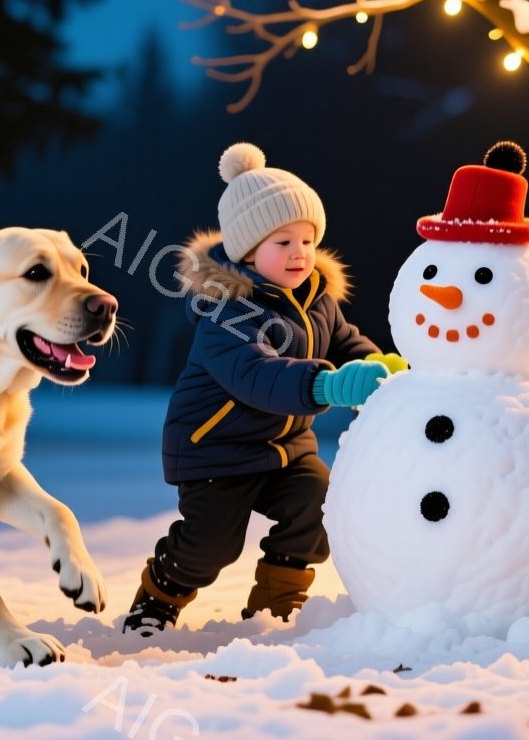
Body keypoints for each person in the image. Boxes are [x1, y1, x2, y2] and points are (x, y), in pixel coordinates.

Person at [121, 142, 404, 635]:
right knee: (211, 546)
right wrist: (329, 384)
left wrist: (376, 365)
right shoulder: (224, 310)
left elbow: (344, 341)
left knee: (318, 506)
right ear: (248, 251)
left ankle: (276, 606)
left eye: (308, 240)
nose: (300, 253)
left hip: (286, 448)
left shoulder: (316, 298)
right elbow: (256, 374)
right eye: (283, 241)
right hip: (216, 451)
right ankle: (158, 598)